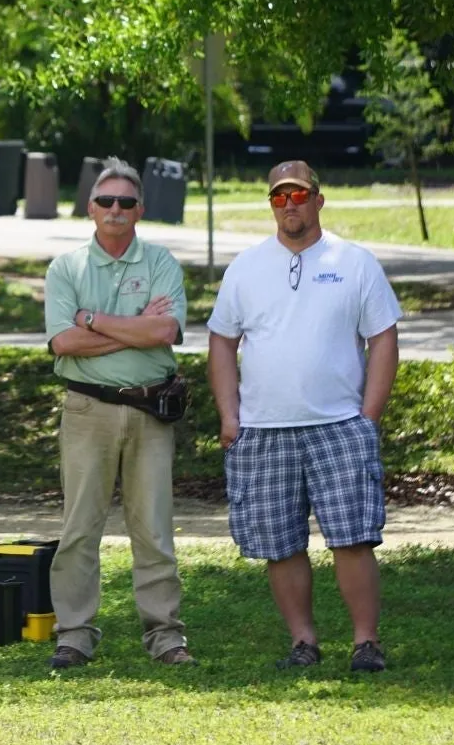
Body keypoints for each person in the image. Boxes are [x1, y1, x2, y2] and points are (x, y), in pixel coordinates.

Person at [206, 160, 401, 673]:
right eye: (278, 199)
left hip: (339, 425)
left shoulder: (355, 262)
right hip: (264, 428)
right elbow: (222, 342)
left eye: (298, 196)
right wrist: (231, 416)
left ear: (318, 199)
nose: (289, 206)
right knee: (280, 543)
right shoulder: (246, 267)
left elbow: (383, 339)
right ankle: (303, 642)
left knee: (352, 537)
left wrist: (368, 416)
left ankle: (366, 643)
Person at [43, 158, 193, 669]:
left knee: (153, 528)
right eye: (106, 201)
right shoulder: (66, 268)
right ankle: (75, 633)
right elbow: (62, 342)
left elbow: (164, 332)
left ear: (140, 210)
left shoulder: (160, 262)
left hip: (151, 410)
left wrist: (94, 323)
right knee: (80, 527)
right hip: (88, 410)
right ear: (90, 208)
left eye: (126, 202)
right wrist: (130, 324)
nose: (115, 210)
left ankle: (166, 635)